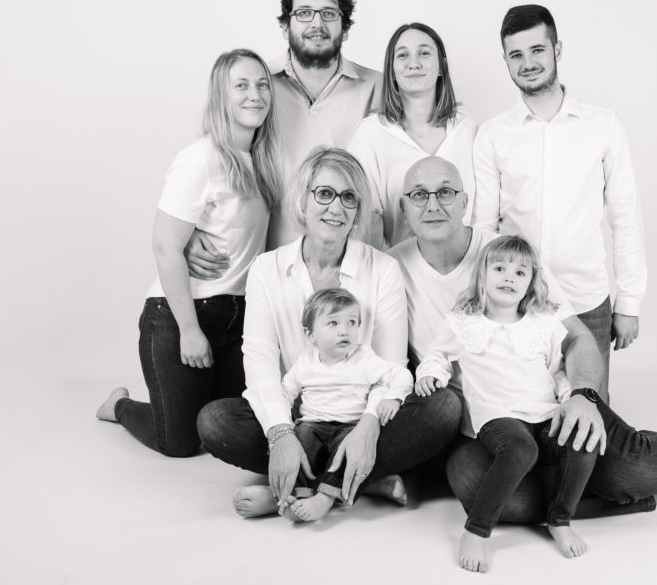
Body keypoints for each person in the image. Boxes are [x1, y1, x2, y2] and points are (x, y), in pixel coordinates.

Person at [390, 157, 657, 572]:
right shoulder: (391, 265)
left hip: (545, 404)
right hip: (480, 424)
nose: (433, 204)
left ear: (464, 199)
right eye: (419, 194)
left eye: (446, 192)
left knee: (624, 467)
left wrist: (578, 396)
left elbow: (574, 336)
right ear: (404, 207)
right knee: (491, 494)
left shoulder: (505, 255)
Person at [195, 148, 460, 516]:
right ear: (303, 201)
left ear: (357, 211)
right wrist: (281, 434)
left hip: (363, 415)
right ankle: (358, 479)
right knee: (214, 421)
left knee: (443, 408)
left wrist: (367, 429)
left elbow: (391, 366)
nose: (336, 208)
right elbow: (259, 362)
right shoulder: (266, 269)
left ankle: (290, 493)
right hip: (301, 414)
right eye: (324, 193)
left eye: (348, 197)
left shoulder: (383, 269)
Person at [96, 49, 280, 457]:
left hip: (237, 318)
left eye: (262, 84)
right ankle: (119, 406)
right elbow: (165, 246)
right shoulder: (199, 159)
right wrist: (190, 331)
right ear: (220, 96)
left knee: (223, 424)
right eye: (242, 86)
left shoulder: (262, 161)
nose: (255, 94)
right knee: (180, 444)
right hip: (180, 316)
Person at [472, 4, 648, 400]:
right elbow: (484, 229)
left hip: (587, 301)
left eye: (537, 50)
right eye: (516, 55)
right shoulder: (493, 135)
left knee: (592, 426)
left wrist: (630, 302)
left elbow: (626, 217)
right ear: (505, 60)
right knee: (529, 423)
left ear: (557, 49)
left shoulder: (603, 126)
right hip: (517, 304)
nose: (528, 62)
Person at [416, 236, 599, 571]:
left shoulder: (543, 325)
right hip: (497, 415)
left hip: (544, 412)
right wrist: (431, 374)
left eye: (519, 272)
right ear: (482, 276)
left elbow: (556, 371)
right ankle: (476, 531)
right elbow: (436, 354)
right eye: (499, 268)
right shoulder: (463, 323)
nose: (508, 277)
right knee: (520, 450)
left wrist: (567, 398)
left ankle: (560, 520)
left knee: (582, 442)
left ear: (531, 283)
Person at [187, 0, 382, 274]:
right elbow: (215, 159)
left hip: (353, 272)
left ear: (345, 28)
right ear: (284, 26)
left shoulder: (379, 88)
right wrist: (192, 229)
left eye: (329, 13)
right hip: (268, 270)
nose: (316, 24)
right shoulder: (257, 87)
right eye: (304, 13)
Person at [236, 288, 413, 522]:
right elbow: (284, 394)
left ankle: (324, 498)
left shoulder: (364, 358)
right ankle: (293, 496)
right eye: (333, 323)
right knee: (300, 448)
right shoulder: (305, 362)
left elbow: (400, 374)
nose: (344, 330)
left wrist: (395, 397)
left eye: (352, 322)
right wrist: (281, 429)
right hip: (311, 423)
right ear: (311, 335)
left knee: (344, 456)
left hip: (350, 427)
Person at [347, 22, 477, 248]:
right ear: (392, 71)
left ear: (440, 67)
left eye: (424, 53)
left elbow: (481, 217)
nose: (413, 63)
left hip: (469, 271)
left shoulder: (468, 129)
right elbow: (366, 224)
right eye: (403, 55)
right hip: (398, 274)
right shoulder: (370, 135)